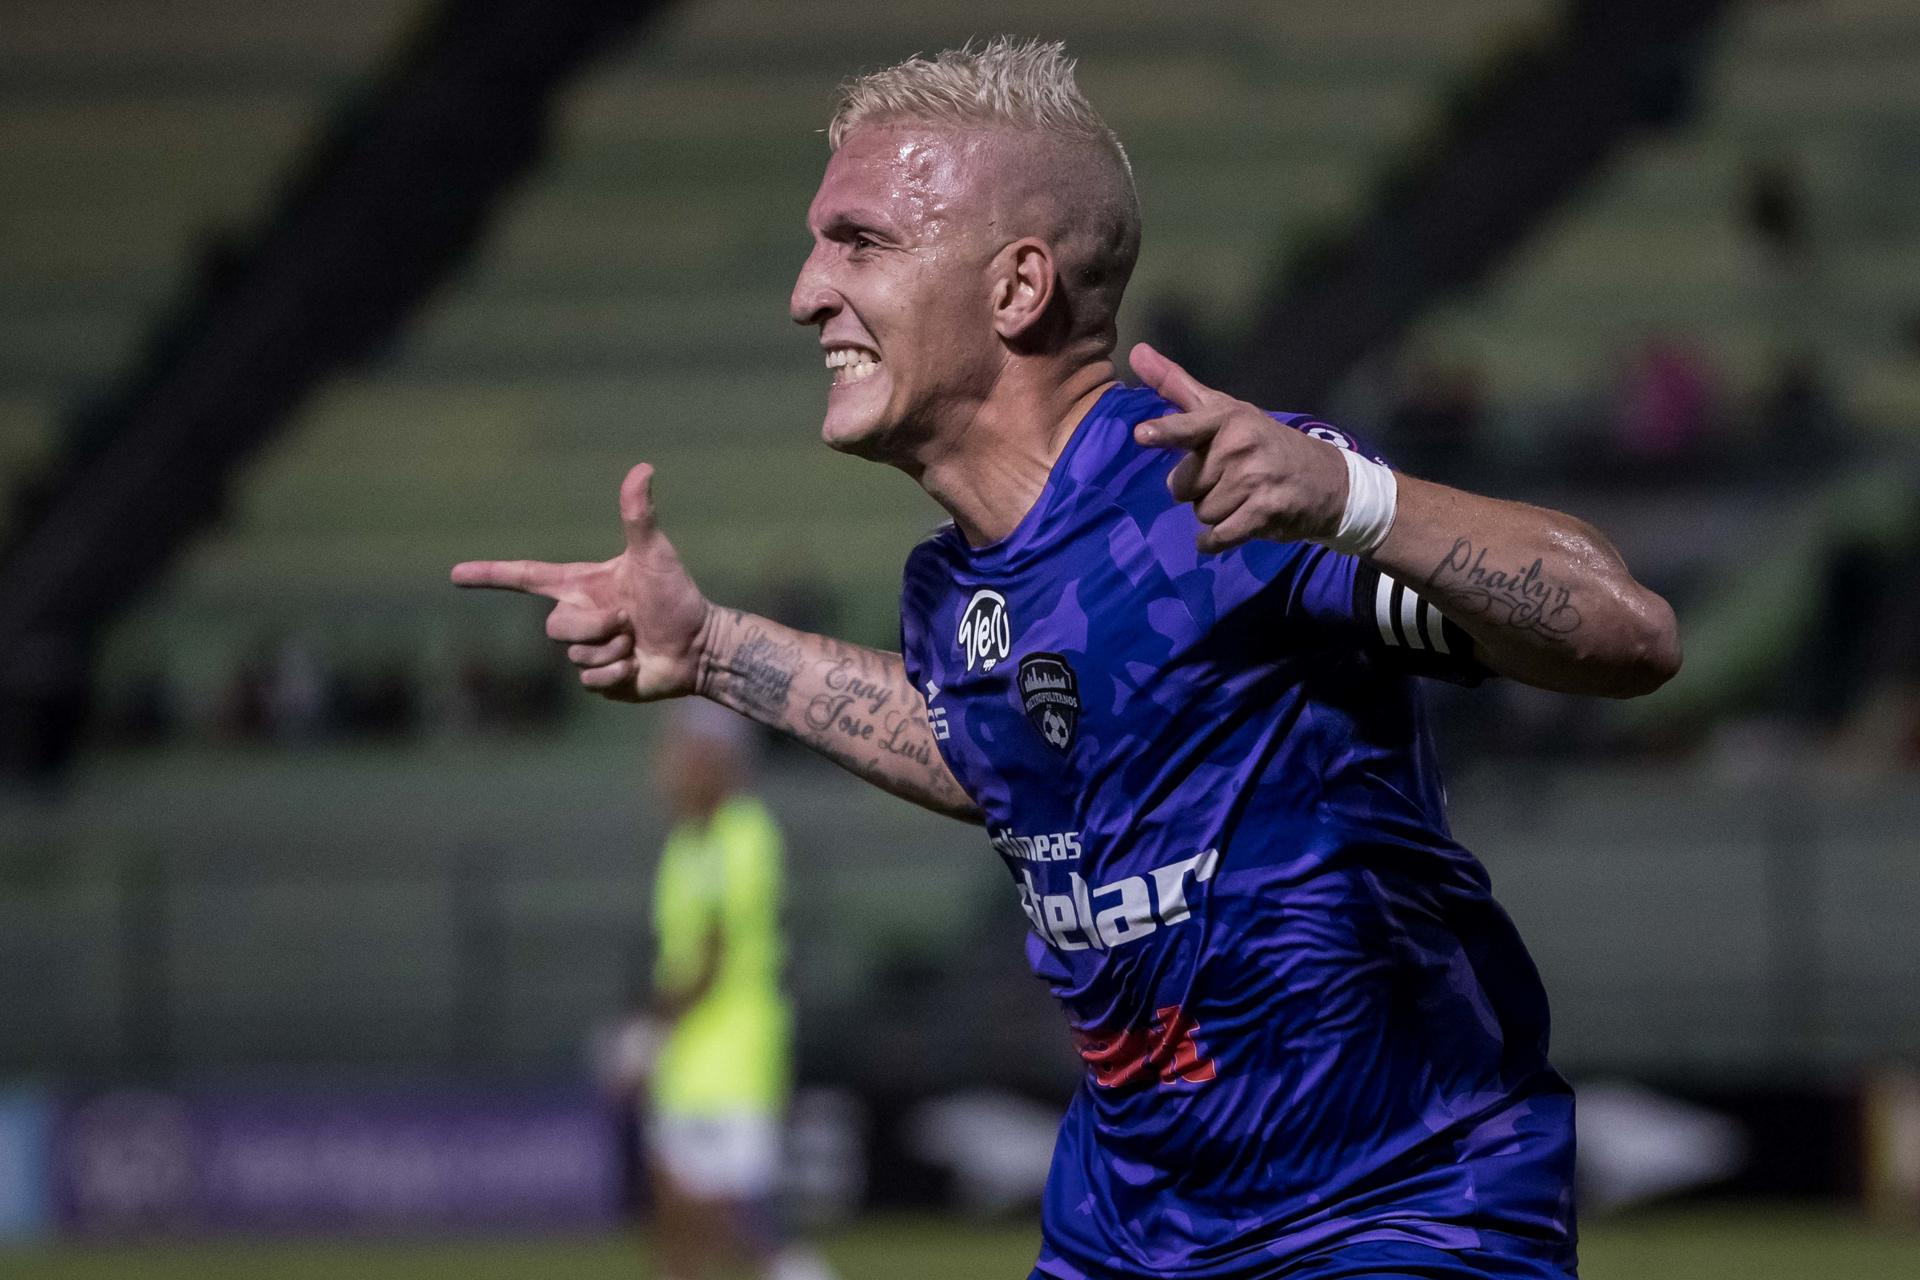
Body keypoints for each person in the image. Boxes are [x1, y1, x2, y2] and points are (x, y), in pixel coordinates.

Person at [454, 38, 1681, 1280]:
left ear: (1017, 287)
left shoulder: (1216, 500)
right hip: (1126, 1229)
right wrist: (715, 647)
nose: (806, 291)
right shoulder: (953, 583)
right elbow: (987, 746)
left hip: (1391, 1210)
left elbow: (1628, 633)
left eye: (860, 241)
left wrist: (1356, 497)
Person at [623, 700, 833, 1280]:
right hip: (690, 1058)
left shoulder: (741, 834)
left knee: (745, 1219)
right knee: (678, 1214)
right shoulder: (686, 843)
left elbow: (710, 957)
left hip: (733, 1053)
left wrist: (644, 1036)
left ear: (718, 760)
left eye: (683, 755)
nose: (668, 769)